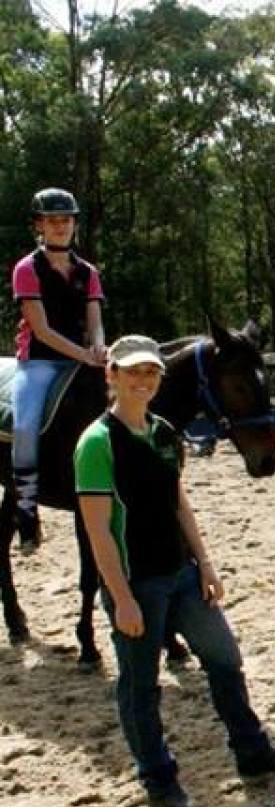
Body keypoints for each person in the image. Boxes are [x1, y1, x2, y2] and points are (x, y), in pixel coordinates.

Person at [75, 335, 275, 807]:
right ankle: (158, 777)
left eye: (150, 372)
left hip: (181, 575)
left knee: (224, 658)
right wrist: (121, 598)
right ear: (112, 376)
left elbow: (179, 502)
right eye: (132, 372)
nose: (142, 380)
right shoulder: (96, 443)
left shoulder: (162, 431)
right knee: (141, 686)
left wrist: (204, 563)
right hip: (138, 582)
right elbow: (97, 531)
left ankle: (252, 751)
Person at [10, 188, 109, 550]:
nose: (60, 227)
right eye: (53, 221)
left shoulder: (87, 272)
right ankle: (26, 507)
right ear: (40, 226)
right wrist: (83, 355)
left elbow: (94, 319)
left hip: (82, 358)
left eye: (66, 220)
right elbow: (41, 330)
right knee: (24, 422)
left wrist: (98, 345)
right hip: (39, 360)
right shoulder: (27, 269)